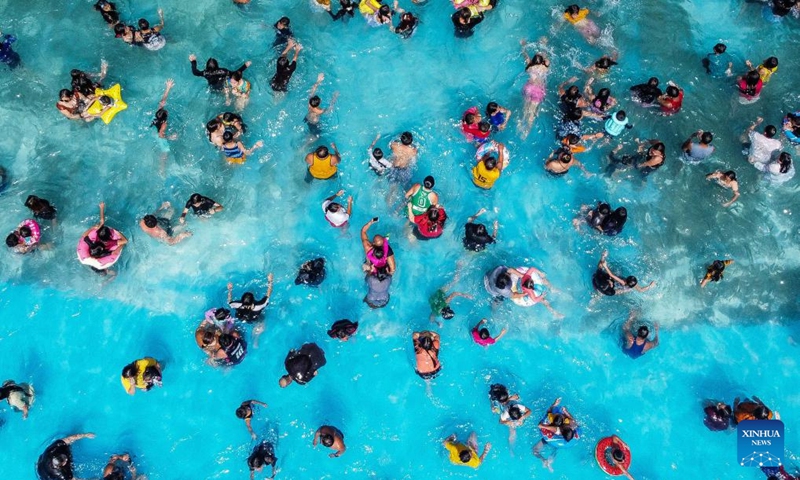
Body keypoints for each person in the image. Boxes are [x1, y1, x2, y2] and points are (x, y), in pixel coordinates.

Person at [533, 397, 581, 471]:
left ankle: (543, 460)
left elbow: (540, 425)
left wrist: (553, 405)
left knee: (535, 451)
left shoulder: (556, 429)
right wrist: (565, 411)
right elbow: (574, 421)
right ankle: (550, 461)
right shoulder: (571, 425)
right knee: (556, 448)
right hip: (561, 443)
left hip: (550, 438)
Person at [78, 202, 128, 273]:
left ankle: (102, 272)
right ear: (110, 236)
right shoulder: (109, 244)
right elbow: (123, 243)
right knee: (104, 270)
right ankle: (105, 272)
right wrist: (118, 235)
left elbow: (84, 236)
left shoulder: (92, 244)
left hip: (90, 257)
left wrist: (92, 228)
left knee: (98, 269)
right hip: (99, 260)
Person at [228, 274, 274, 345]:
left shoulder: (237, 304)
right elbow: (268, 294)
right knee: (262, 319)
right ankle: (255, 340)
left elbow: (229, 302)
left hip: (241, 318)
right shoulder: (259, 306)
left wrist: (230, 290)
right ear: (253, 301)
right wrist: (270, 281)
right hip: (254, 318)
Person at [519, 43, 550, 139]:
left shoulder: (529, 66)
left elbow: (524, 54)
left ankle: (520, 123)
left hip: (529, 87)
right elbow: (547, 58)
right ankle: (526, 131)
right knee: (531, 112)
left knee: (525, 108)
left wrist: (523, 45)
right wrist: (544, 44)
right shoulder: (544, 68)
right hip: (538, 90)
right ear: (542, 62)